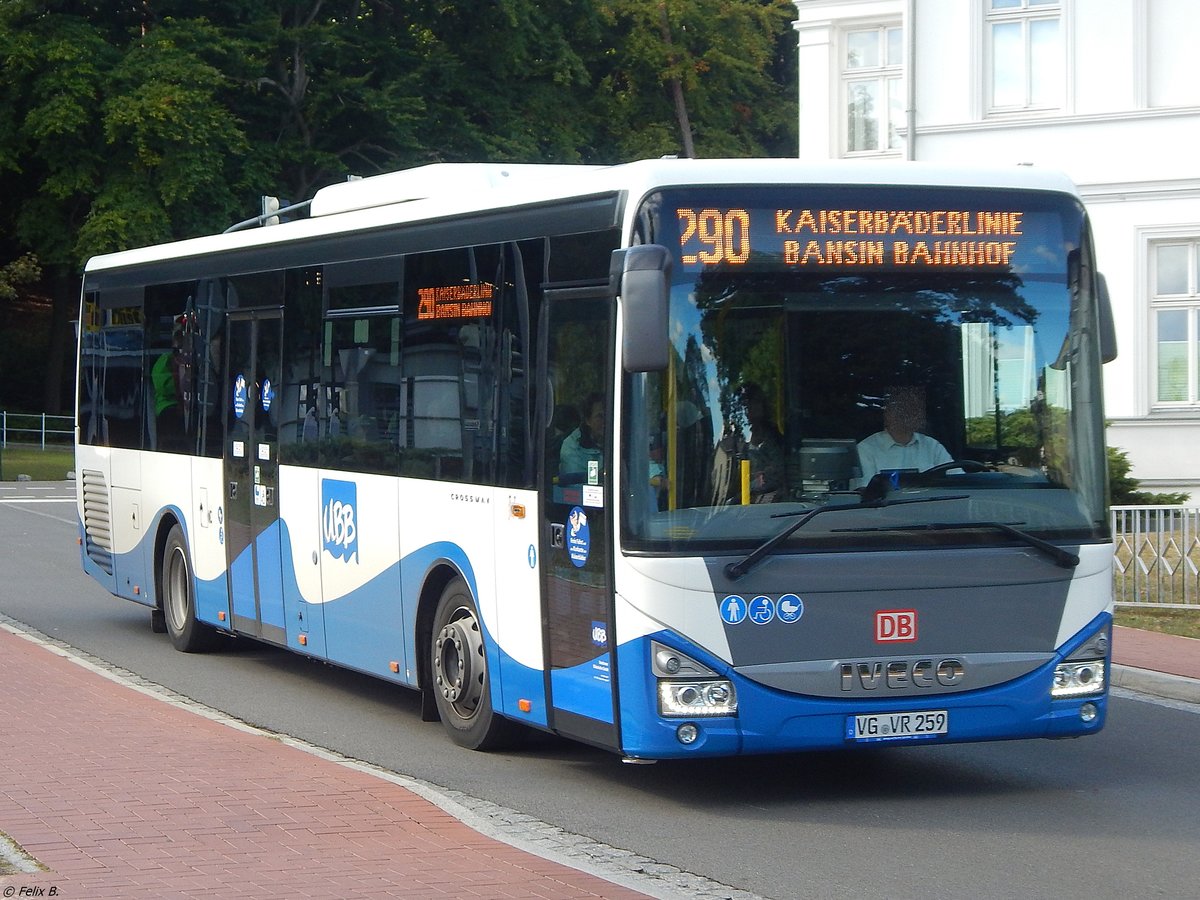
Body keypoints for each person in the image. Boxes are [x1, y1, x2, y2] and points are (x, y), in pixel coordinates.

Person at [855, 387, 952, 486]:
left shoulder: (932, 446)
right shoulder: (865, 449)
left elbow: (958, 479)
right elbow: (865, 493)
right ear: (887, 414)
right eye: (901, 409)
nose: (907, 415)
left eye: (913, 409)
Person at [558, 392, 605, 482]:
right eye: (600, 416)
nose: (606, 421)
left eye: (610, 415)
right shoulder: (571, 448)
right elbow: (577, 485)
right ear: (588, 420)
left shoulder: (625, 442)